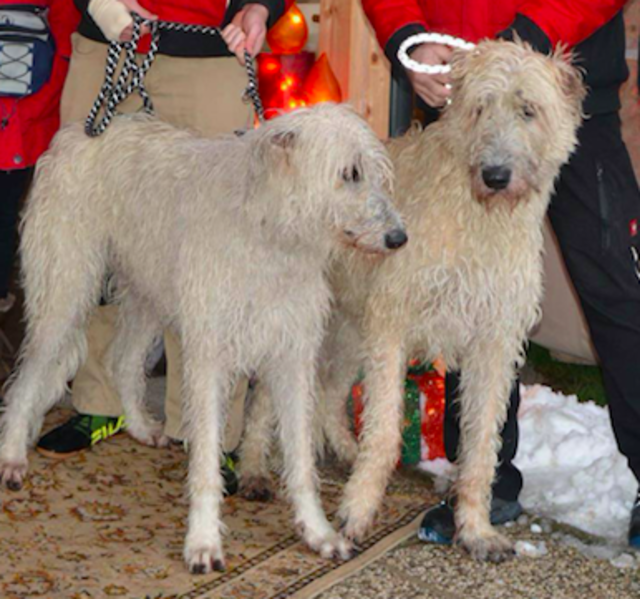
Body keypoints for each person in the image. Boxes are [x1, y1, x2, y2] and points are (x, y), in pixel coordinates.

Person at [361, 0, 640, 547]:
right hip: (464, 102)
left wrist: (528, 37)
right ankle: (481, 485)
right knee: (469, 297)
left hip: (561, 95)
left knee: (618, 294)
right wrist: (409, 40)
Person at [35, 0, 293, 494]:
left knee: (213, 247)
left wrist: (259, 7)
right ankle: (100, 398)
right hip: (110, 41)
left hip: (213, 51)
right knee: (90, 228)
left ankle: (209, 432)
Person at [1, 0, 80, 315]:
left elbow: (65, 50)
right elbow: (65, 52)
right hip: (24, 125)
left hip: (22, 125)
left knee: (6, 214)